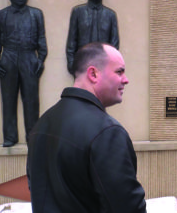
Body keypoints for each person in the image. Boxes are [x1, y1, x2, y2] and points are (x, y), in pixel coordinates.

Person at [27, 42, 146, 212]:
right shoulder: (107, 132)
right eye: (119, 71)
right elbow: (127, 207)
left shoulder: (42, 124)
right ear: (93, 74)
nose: (126, 80)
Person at [0, 0, 47, 147]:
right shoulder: (1, 15)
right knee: (8, 99)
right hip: (8, 56)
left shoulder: (36, 14)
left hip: (29, 56)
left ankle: (32, 135)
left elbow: (41, 38)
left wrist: (40, 59)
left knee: (31, 100)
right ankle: (10, 136)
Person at [66, 0, 119, 74]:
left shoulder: (111, 15)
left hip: (103, 67)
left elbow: (114, 45)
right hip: (82, 65)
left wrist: (111, 67)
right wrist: (72, 65)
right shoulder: (78, 12)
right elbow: (72, 41)